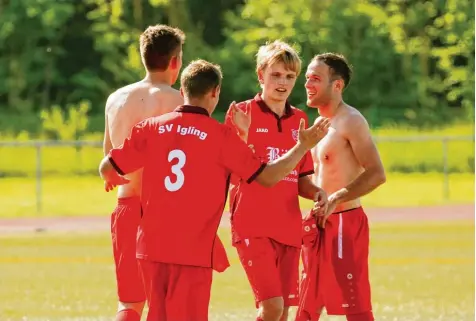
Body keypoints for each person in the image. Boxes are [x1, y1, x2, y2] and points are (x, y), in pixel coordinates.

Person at [99, 59, 330, 321]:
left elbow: (108, 166)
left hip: (150, 248)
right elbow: (266, 178)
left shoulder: (152, 127)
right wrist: (301, 147)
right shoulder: (220, 137)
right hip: (193, 251)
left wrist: (111, 178)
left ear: (183, 90)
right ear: (215, 92)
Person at [224, 40, 329, 321]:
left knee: (282, 313)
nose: (282, 82)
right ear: (261, 75)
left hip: (288, 226)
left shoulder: (300, 120)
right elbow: (236, 170)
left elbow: (301, 179)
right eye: (275, 75)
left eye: (289, 76)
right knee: (270, 307)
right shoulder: (242, 114)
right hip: (252, 225)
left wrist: (318, 193)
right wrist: (243, 138)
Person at [102, 24, 185, 321]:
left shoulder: (115, 99)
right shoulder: (179, 100)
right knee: (166, 304)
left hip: (126, 205)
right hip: (164, 211)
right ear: (175, 61)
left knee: (129, 303)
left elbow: (109, 156)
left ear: (143, 57)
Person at [295, 53, 387, 321]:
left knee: (354, 305)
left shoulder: (351, 120)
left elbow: (377, 173)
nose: (308, 84)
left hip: (346, 223)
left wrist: (337, 197)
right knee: (307, 304)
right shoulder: (317, 126)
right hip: (318, 224)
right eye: (307, 78)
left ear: (337, 85)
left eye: (315, 78)